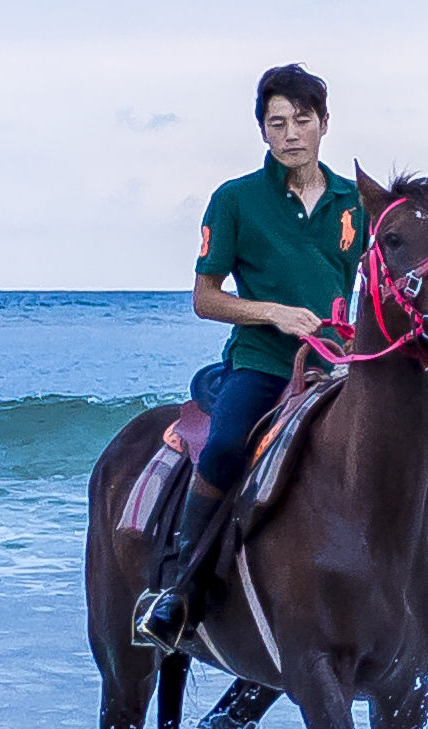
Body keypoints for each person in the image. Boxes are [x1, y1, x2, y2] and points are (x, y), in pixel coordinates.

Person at [135, 63, 358, 649]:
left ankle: (413, 593)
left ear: (324, 124)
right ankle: (181, 586)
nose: (290, 134)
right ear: (262, 131)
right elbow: (205, 300)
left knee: (425, 454)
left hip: (335, 365)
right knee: (231, 439)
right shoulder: (234, 200)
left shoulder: (353, 202)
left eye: (301, 121)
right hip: (260, 360)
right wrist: (276, 313)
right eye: (276, 122)